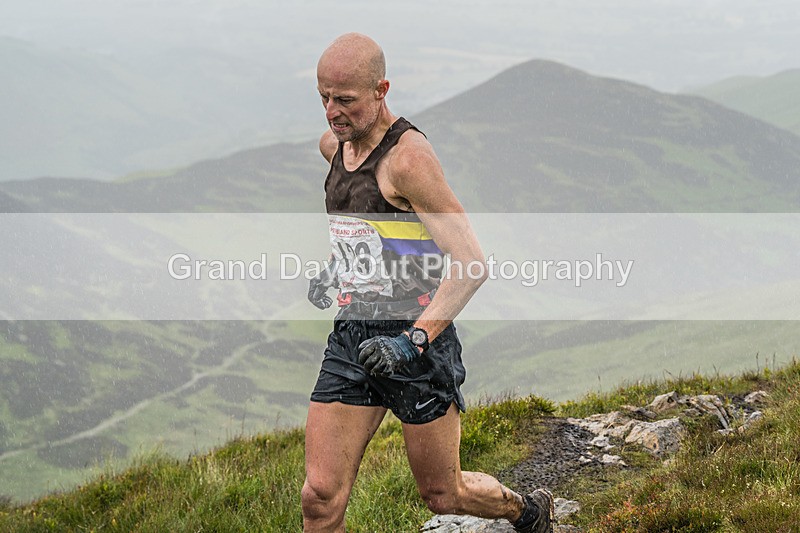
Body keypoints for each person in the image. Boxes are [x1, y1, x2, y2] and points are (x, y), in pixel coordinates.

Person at [302, 33, 554, 533]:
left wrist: (412, 340)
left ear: (381, 89)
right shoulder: (335, 144)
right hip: (353, 333)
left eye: (345, 100)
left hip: (417, 339)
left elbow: (471, 263)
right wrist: (338, 267)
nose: (332, 112)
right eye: (323, 98)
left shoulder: (408, 159)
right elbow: (366, 223)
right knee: (320, 496)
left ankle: (526, 511)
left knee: (443, 493)